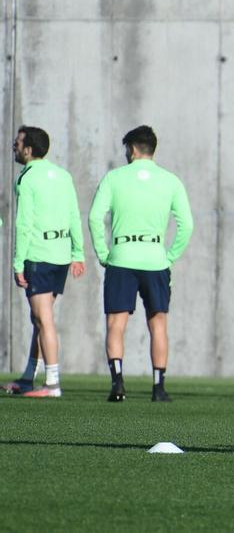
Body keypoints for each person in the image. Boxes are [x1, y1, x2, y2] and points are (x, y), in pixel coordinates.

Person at [89, 125, 193, 402]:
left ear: (132, 149)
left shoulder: (114, 178)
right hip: (155, 257)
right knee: (158, 323)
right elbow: (187, 225)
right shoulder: (171, 180)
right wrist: (169, 255)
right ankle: (158, 387)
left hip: (121, 256)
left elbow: (94, 217)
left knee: (116, 322)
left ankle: (117, 383)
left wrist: (103, 253)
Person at [3, 127, 86, 397]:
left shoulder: (26, 179)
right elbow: (74, 214)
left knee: (44, 318)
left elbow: (24, 223)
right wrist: (78, 253)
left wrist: (17, 263)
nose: (14, 147)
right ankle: (29, 377)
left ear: (28, 150)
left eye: (17, 143)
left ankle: (52, 383)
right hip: (61, 255)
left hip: (39, 254)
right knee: (40, 318)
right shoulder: (62, 175)